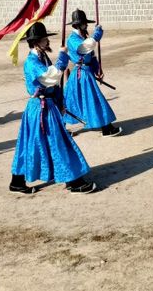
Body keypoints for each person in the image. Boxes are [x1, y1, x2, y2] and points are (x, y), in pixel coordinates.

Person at [10, 22, 97, 194]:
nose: (47, 42)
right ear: (36, 42)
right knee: (56, 143)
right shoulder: (31, 62)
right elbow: (49, 78)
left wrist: (60, 102)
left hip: (48, 106)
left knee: (38, 144)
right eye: (44, 40)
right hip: (40, 109)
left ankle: (17, 181)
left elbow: (54, 85)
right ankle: (73, 181)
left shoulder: (42, 57)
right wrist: (62, 59)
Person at [62, 9, 121, 136]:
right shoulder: (73, 39)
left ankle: (106, 126)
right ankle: (61, 129)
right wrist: (96, 36)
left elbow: (91, 55)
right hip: (81, 73)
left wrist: (97, 69)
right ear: (78, 24)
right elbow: (84, 48)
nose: (86, 25)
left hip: (86, 71)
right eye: (84, 23)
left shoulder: (83, 37)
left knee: (84, 100)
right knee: (75, 101)